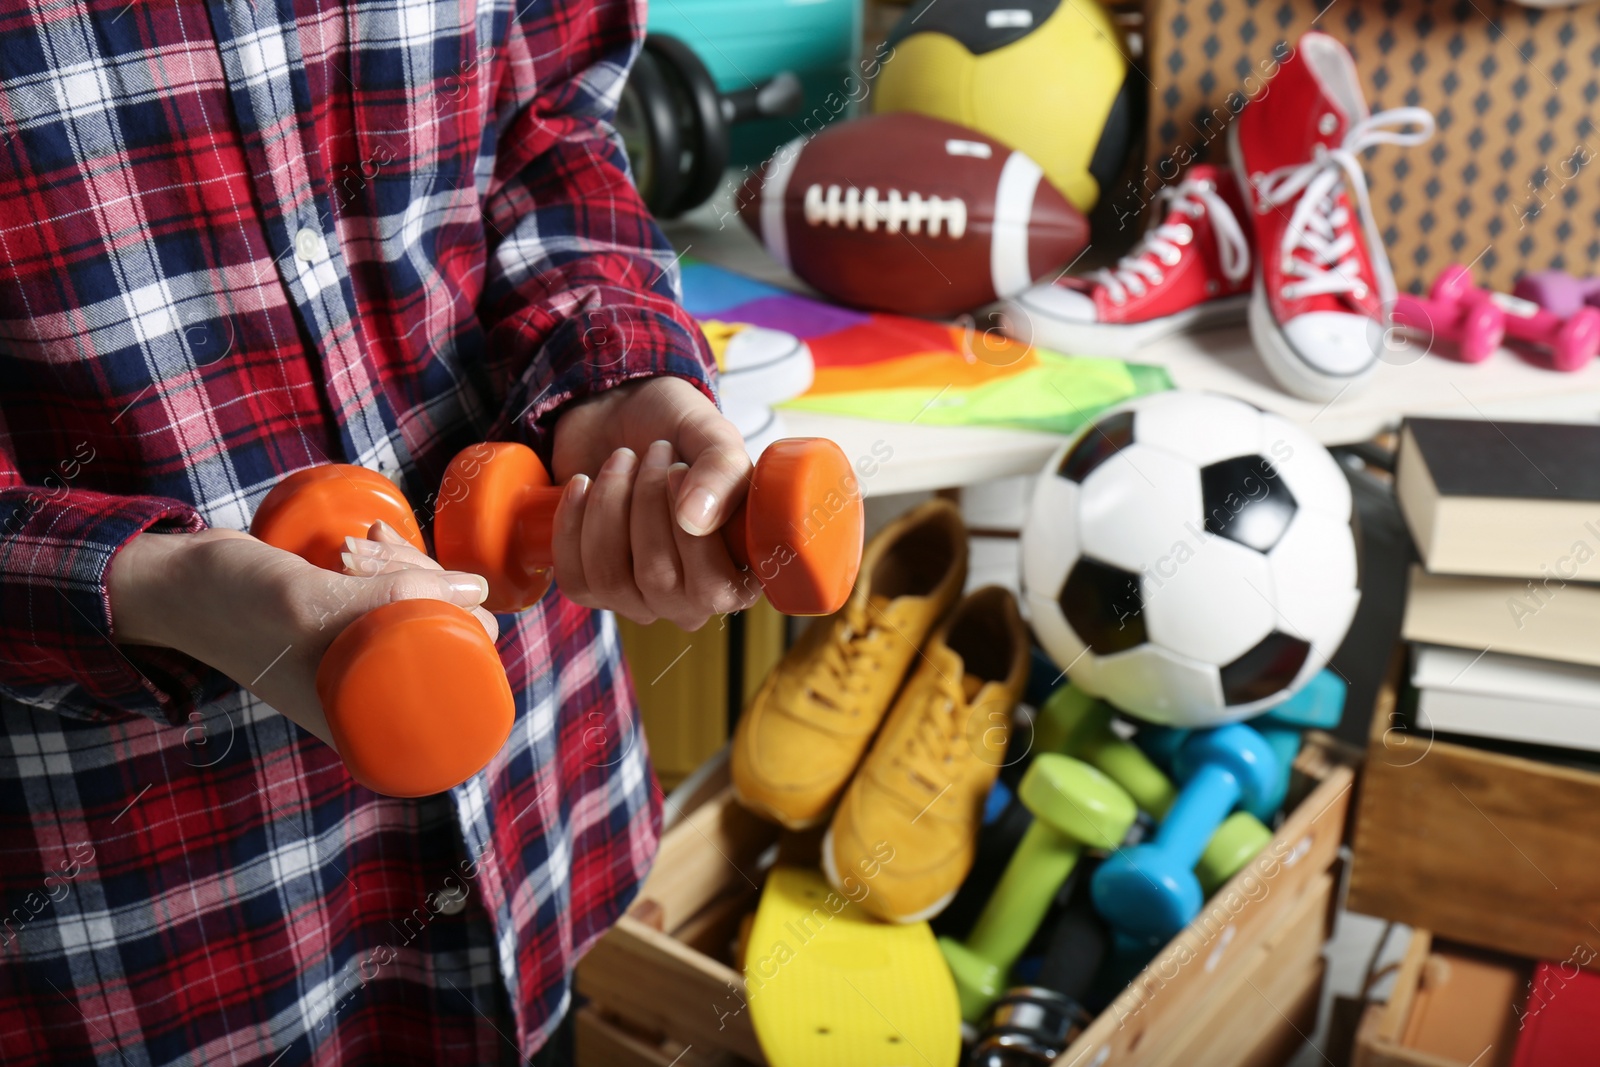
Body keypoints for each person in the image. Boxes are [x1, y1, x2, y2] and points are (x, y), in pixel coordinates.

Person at [0, 0, 752, 1061]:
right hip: (155, 942)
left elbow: (549, 125)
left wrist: (614, 366)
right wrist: (158, 585)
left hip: (536, 808)